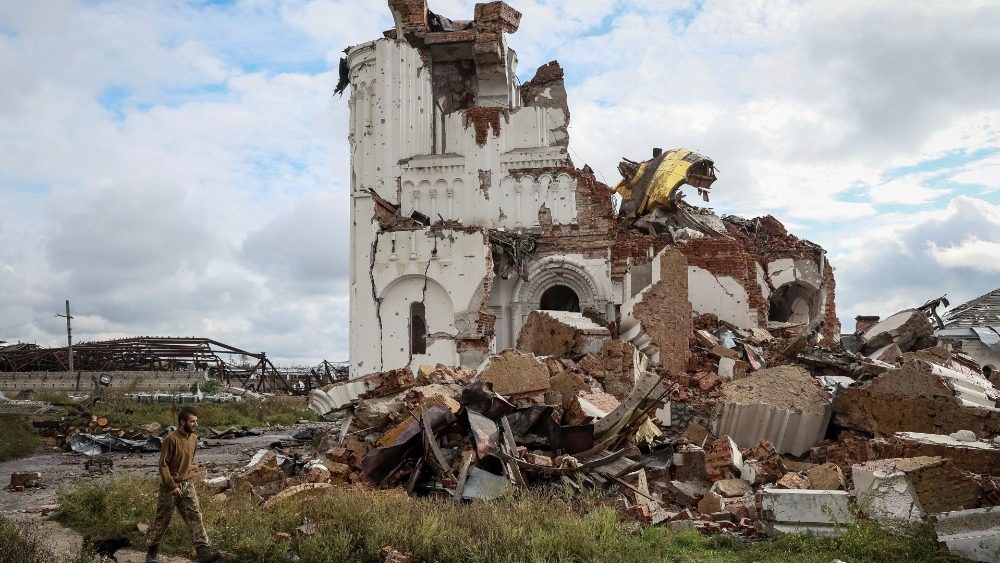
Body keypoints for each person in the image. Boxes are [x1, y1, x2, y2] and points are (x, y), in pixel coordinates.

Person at [146, 408, 221, 563]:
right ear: (182, 422)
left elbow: (188, 462)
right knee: (162, 519)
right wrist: (173, 485)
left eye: (196, 421)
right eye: (192, 421)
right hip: (170, 487)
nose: (196, 424)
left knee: (195, 517)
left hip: (187, 484)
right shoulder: (171, 439)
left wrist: (190, 475)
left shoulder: (194, 439)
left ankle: (203, 553)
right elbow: (163, 465)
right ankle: (152, 554)